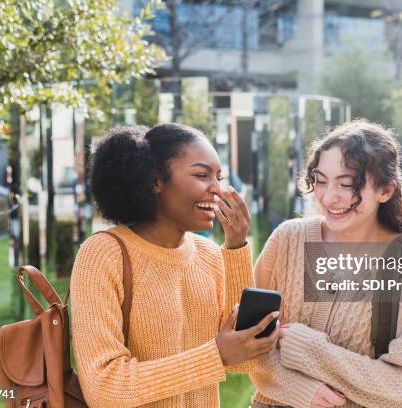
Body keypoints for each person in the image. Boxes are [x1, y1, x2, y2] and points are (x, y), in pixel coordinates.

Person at [70, 123, 279, 408]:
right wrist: (215, 356)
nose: (217, 189)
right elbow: (105, 387)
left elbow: (241, 363)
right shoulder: (103, 254)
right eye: (202, 175)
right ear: (155, 180)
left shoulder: (209, 255)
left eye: (219, 176)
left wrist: (236, 248)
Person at [248, 119, 402, 408]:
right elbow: (248, 340)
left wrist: (313, 352)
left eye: (347, 184)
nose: (329, 197)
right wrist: (298, 389)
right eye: (321, 181)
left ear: (385, 191)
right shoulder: (287, 239)